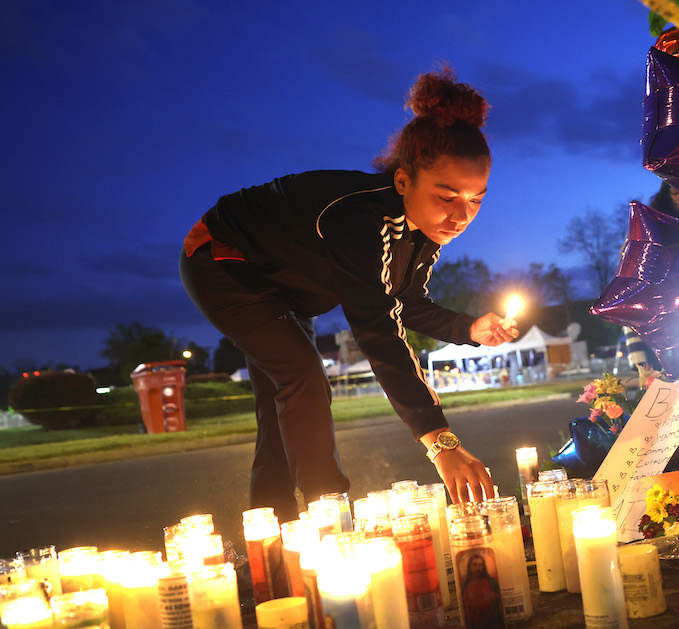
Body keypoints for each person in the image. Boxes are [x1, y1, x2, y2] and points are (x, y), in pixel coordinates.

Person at [180, 68, 516, 520]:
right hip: (223, 259)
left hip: (286, 288)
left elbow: (405, 302)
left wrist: (468, 328)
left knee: (285, 403)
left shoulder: (423, 231)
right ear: (403, 182)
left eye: (476, 199)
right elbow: (376, 326)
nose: (461, 215)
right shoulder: (360, 218)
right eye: (447, 195)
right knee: (303, 375)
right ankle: (330, 514)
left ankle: (271, 531)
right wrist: (440, 442)